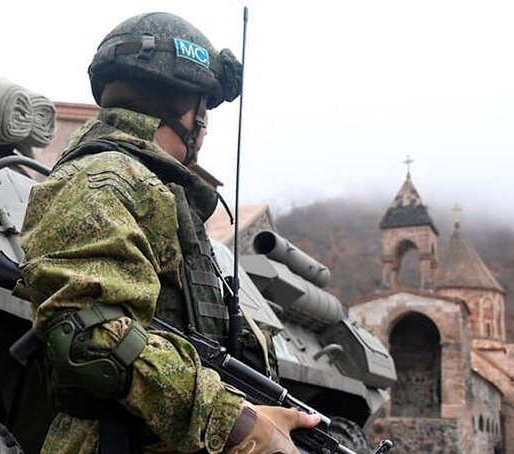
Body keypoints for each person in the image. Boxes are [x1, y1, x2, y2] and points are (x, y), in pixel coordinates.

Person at [18, 11, 320, 454]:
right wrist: (235, 422)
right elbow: (89, 334)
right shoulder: (104, 179)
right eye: (205, 108)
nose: (206, 127)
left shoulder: (153, 187)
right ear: (185, 109)